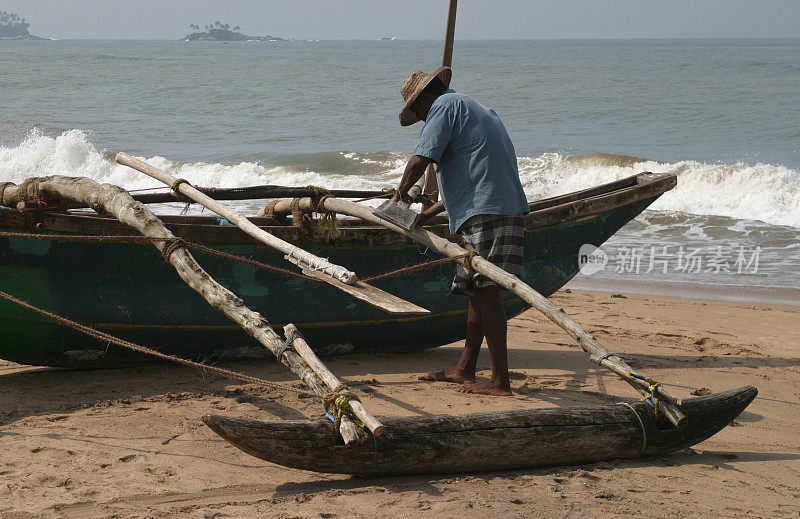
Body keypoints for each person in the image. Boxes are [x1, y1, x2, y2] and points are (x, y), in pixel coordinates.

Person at [390, 66, 529, 396]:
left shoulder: (444, 107)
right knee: (475, 291)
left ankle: (500, 382)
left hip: (488, 211)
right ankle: (465, 368)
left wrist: (398, 199)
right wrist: (424, 215)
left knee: (487, 293)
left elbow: (420, 159)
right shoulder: (476, 109)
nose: (423, 119)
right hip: (495, 205)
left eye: (419, 111)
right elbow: (472, 178)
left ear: (425, 100)